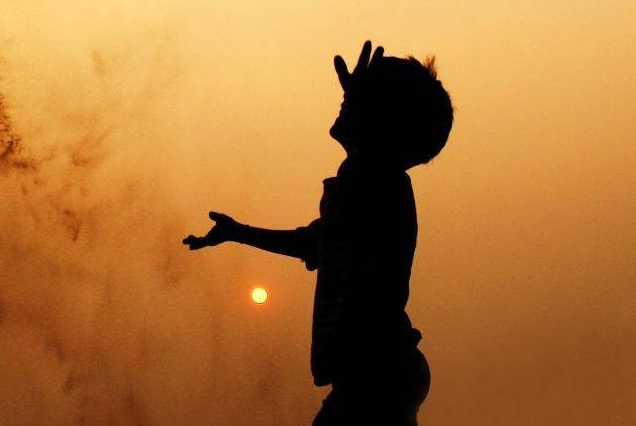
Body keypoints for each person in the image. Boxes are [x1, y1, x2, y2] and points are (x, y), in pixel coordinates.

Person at [183, 41, 453, 425]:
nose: (344, 97)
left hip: (377, 375)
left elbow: (366, 171)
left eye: (358, 96)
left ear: (382, 122)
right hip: (379, 373)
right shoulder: (366, 186)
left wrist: (363, 109)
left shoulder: (375, 182)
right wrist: (239, 233)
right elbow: (316, 242)